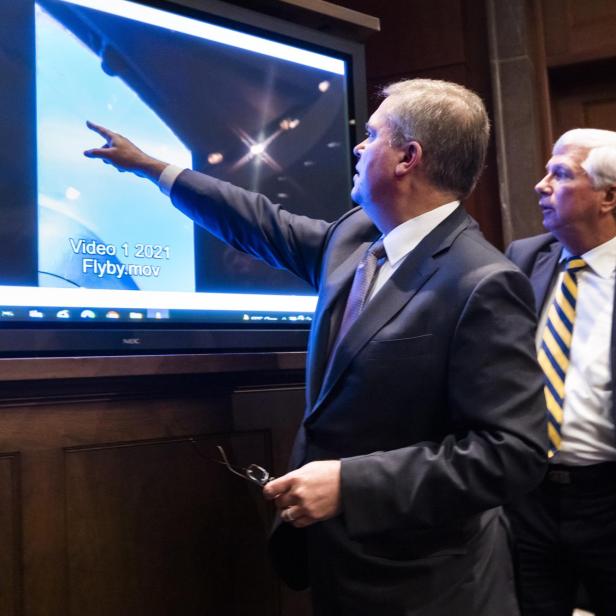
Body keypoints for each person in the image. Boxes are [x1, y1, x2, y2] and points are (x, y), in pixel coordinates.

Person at [85, 78, 547, 616]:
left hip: (427, 582)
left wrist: (353, 484)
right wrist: (154, 169)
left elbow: (511, 453)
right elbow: (261, 223)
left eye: (372, 135)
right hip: (338, 564)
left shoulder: (483, 281)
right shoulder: (355, 238)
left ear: (407, 158)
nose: (358, 145)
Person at [506, 128, 616, 616]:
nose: (540, 184)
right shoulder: (522, 259)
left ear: (608, 196)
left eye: (561, 174)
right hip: (529, 495)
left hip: (608, 498)